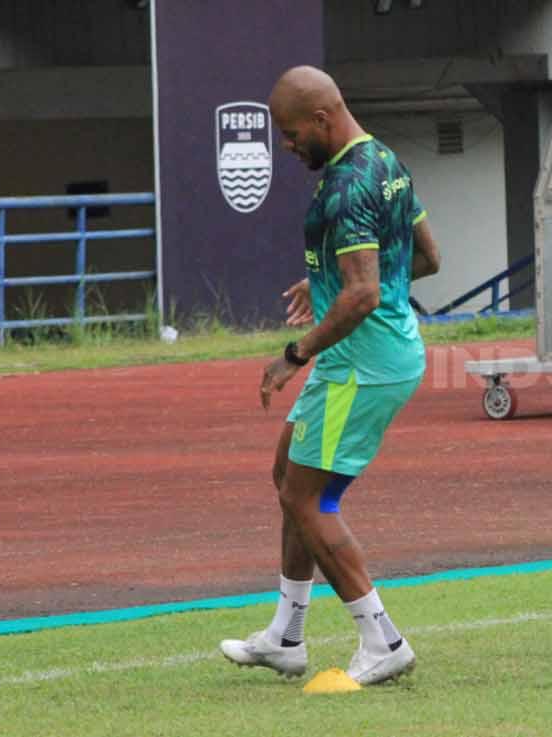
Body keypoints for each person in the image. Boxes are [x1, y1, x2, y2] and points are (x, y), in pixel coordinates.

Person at [220, 65, 441, 684]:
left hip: (361, 365)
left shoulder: (345, 187)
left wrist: (293, 355)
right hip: (371, 355)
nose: (287, 146)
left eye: (291, 134)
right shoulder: (387, 162)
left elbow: (365, 293)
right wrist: (328, 286)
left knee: (306, 496)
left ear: (322, 118)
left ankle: (383, 641)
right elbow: (426, 257)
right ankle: (286, 637)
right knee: (287, 472)